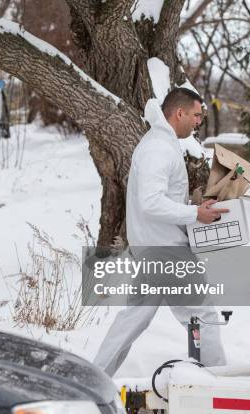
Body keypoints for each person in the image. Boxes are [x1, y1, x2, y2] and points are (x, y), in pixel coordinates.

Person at [93, 88, 229, 377]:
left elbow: (159, 200)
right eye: (195, 115)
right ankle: (220, 387)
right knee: (202, 315)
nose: (198, 122)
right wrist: (196, 214)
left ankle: (95, 378)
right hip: (166, 251)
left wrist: (195, 207)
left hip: (154, 248)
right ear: (178, 113)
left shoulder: (160, 143)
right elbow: (151, 202)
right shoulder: (158, 148)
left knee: (133, 319)